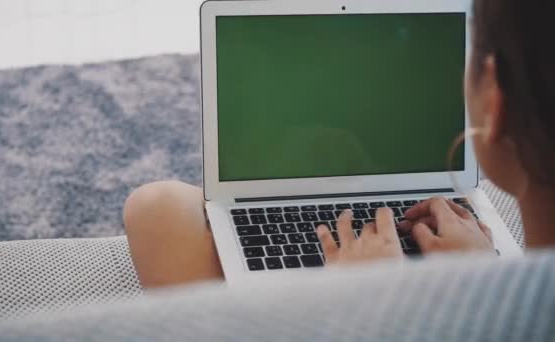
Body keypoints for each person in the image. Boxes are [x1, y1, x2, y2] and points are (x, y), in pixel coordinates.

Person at [123, 0, 555, 288]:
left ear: (494, 106)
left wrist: (361, 299)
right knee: (158, 204)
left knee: (157, 210)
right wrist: (481, 280)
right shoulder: (510, 291)